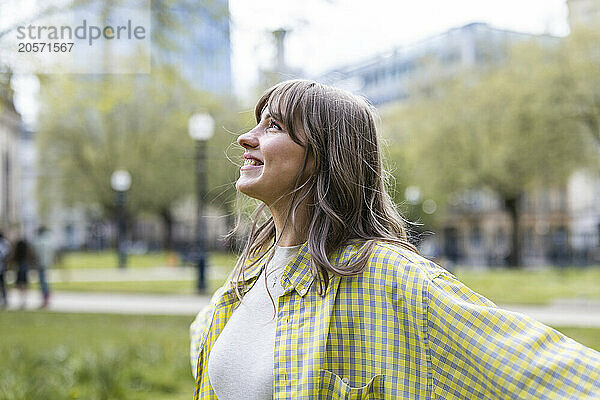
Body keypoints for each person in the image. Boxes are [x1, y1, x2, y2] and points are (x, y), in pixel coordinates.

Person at [190, 80, 600, 399]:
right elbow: (206, 344)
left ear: (325, 155)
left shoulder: (388, 276)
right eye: (257, 122)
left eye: (274, 125)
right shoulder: (250, 273)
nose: (246, 137)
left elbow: (534, 370)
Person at [33, 226, 55, 308]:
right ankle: (46, 298)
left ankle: (45, 299)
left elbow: (36, 253)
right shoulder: (49, 240)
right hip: (46, 264)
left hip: (41, 264)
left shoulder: (39, 242)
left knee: (43, 283)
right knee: (45, 282)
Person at [11, 238, 33, 309]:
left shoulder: (18, 252)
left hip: (20, 267)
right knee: (24, 284)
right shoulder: (27, 253)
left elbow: (13, 258)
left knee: (20, 284)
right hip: (25, 266)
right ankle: (24, 301)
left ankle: (22, 300)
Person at [0, 231, 10, 308]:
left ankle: (5, 299)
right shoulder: (5, 243)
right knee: (3, 285)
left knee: (3, 285)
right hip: (3, 267)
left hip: (2, 267)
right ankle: (5, 299)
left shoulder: (4, 243)